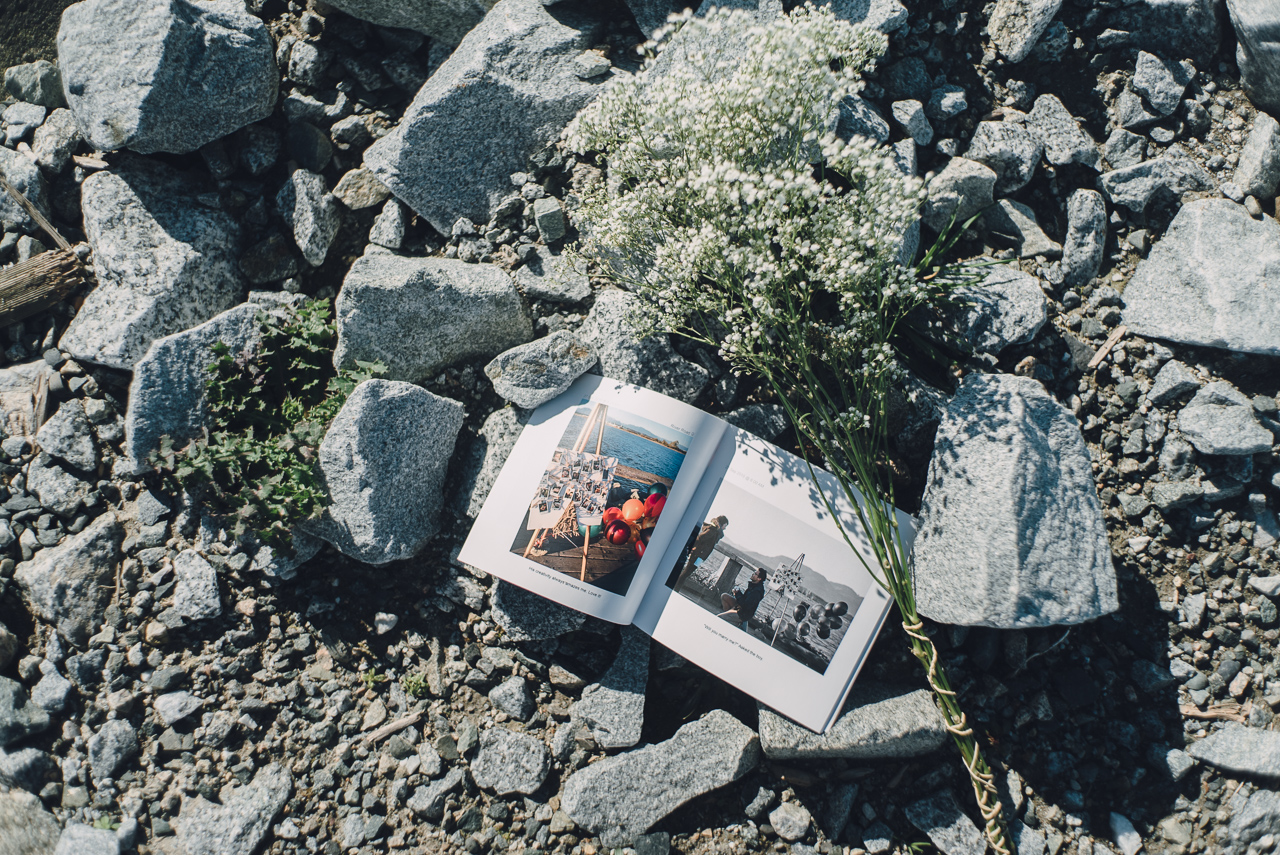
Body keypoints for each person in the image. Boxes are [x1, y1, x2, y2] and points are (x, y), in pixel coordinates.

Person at [674, 515, 728, 590]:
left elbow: (721, 535)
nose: (725, 528)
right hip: (697, 555)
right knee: (686, 572)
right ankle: (676, 588)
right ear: (721, 524)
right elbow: (699, 538)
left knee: (688, 573)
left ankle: (676, 587)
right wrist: (693, 548)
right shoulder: (712, 531)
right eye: (725, 526)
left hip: (701, 557)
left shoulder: (716, 533)